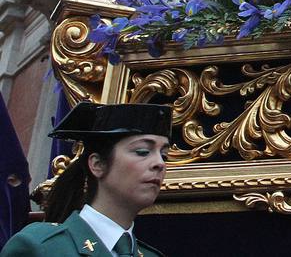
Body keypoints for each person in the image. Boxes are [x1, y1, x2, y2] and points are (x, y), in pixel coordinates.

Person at [2, 103, 171, 257]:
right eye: (142, 151)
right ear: (97, 164)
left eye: (164, 155)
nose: (159, 163)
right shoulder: (42, 247)